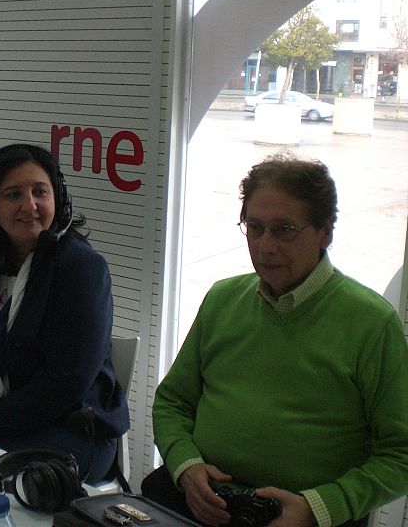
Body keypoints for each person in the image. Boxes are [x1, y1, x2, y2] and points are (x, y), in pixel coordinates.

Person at [144, 154, 408, 527]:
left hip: (306, 516)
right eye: (255, 227)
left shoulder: (371, 323)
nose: (265, 246)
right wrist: (186, 466)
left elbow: (400, 453)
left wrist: (319, 508)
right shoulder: (222, 300)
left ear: (326, 232)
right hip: (205, 501)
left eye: (284, 229)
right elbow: (172, 400)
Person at [0, 143, 129, 484]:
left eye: (40, 192)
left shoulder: (81, 268)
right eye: (13, 194)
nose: (29, 205)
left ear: (58, 199)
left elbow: (64, 386)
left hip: (66, 427)